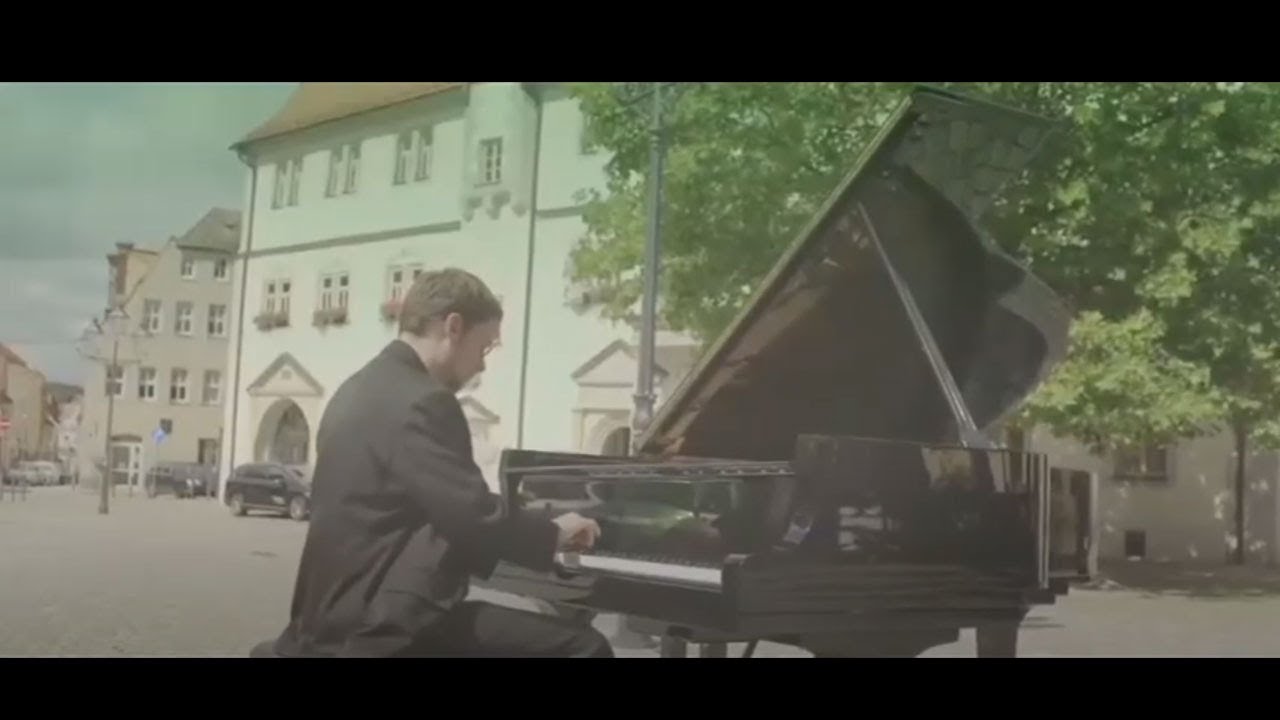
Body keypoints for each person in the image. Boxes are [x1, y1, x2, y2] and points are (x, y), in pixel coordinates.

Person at [268, 268, 612, 658]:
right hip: (379, 625)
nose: (482, 366)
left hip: (328, 615)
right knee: (585, 647)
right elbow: (472, 516)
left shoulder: (355, 389)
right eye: (484, 348)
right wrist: (554, 533)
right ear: (453, 327)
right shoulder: (423, 401)